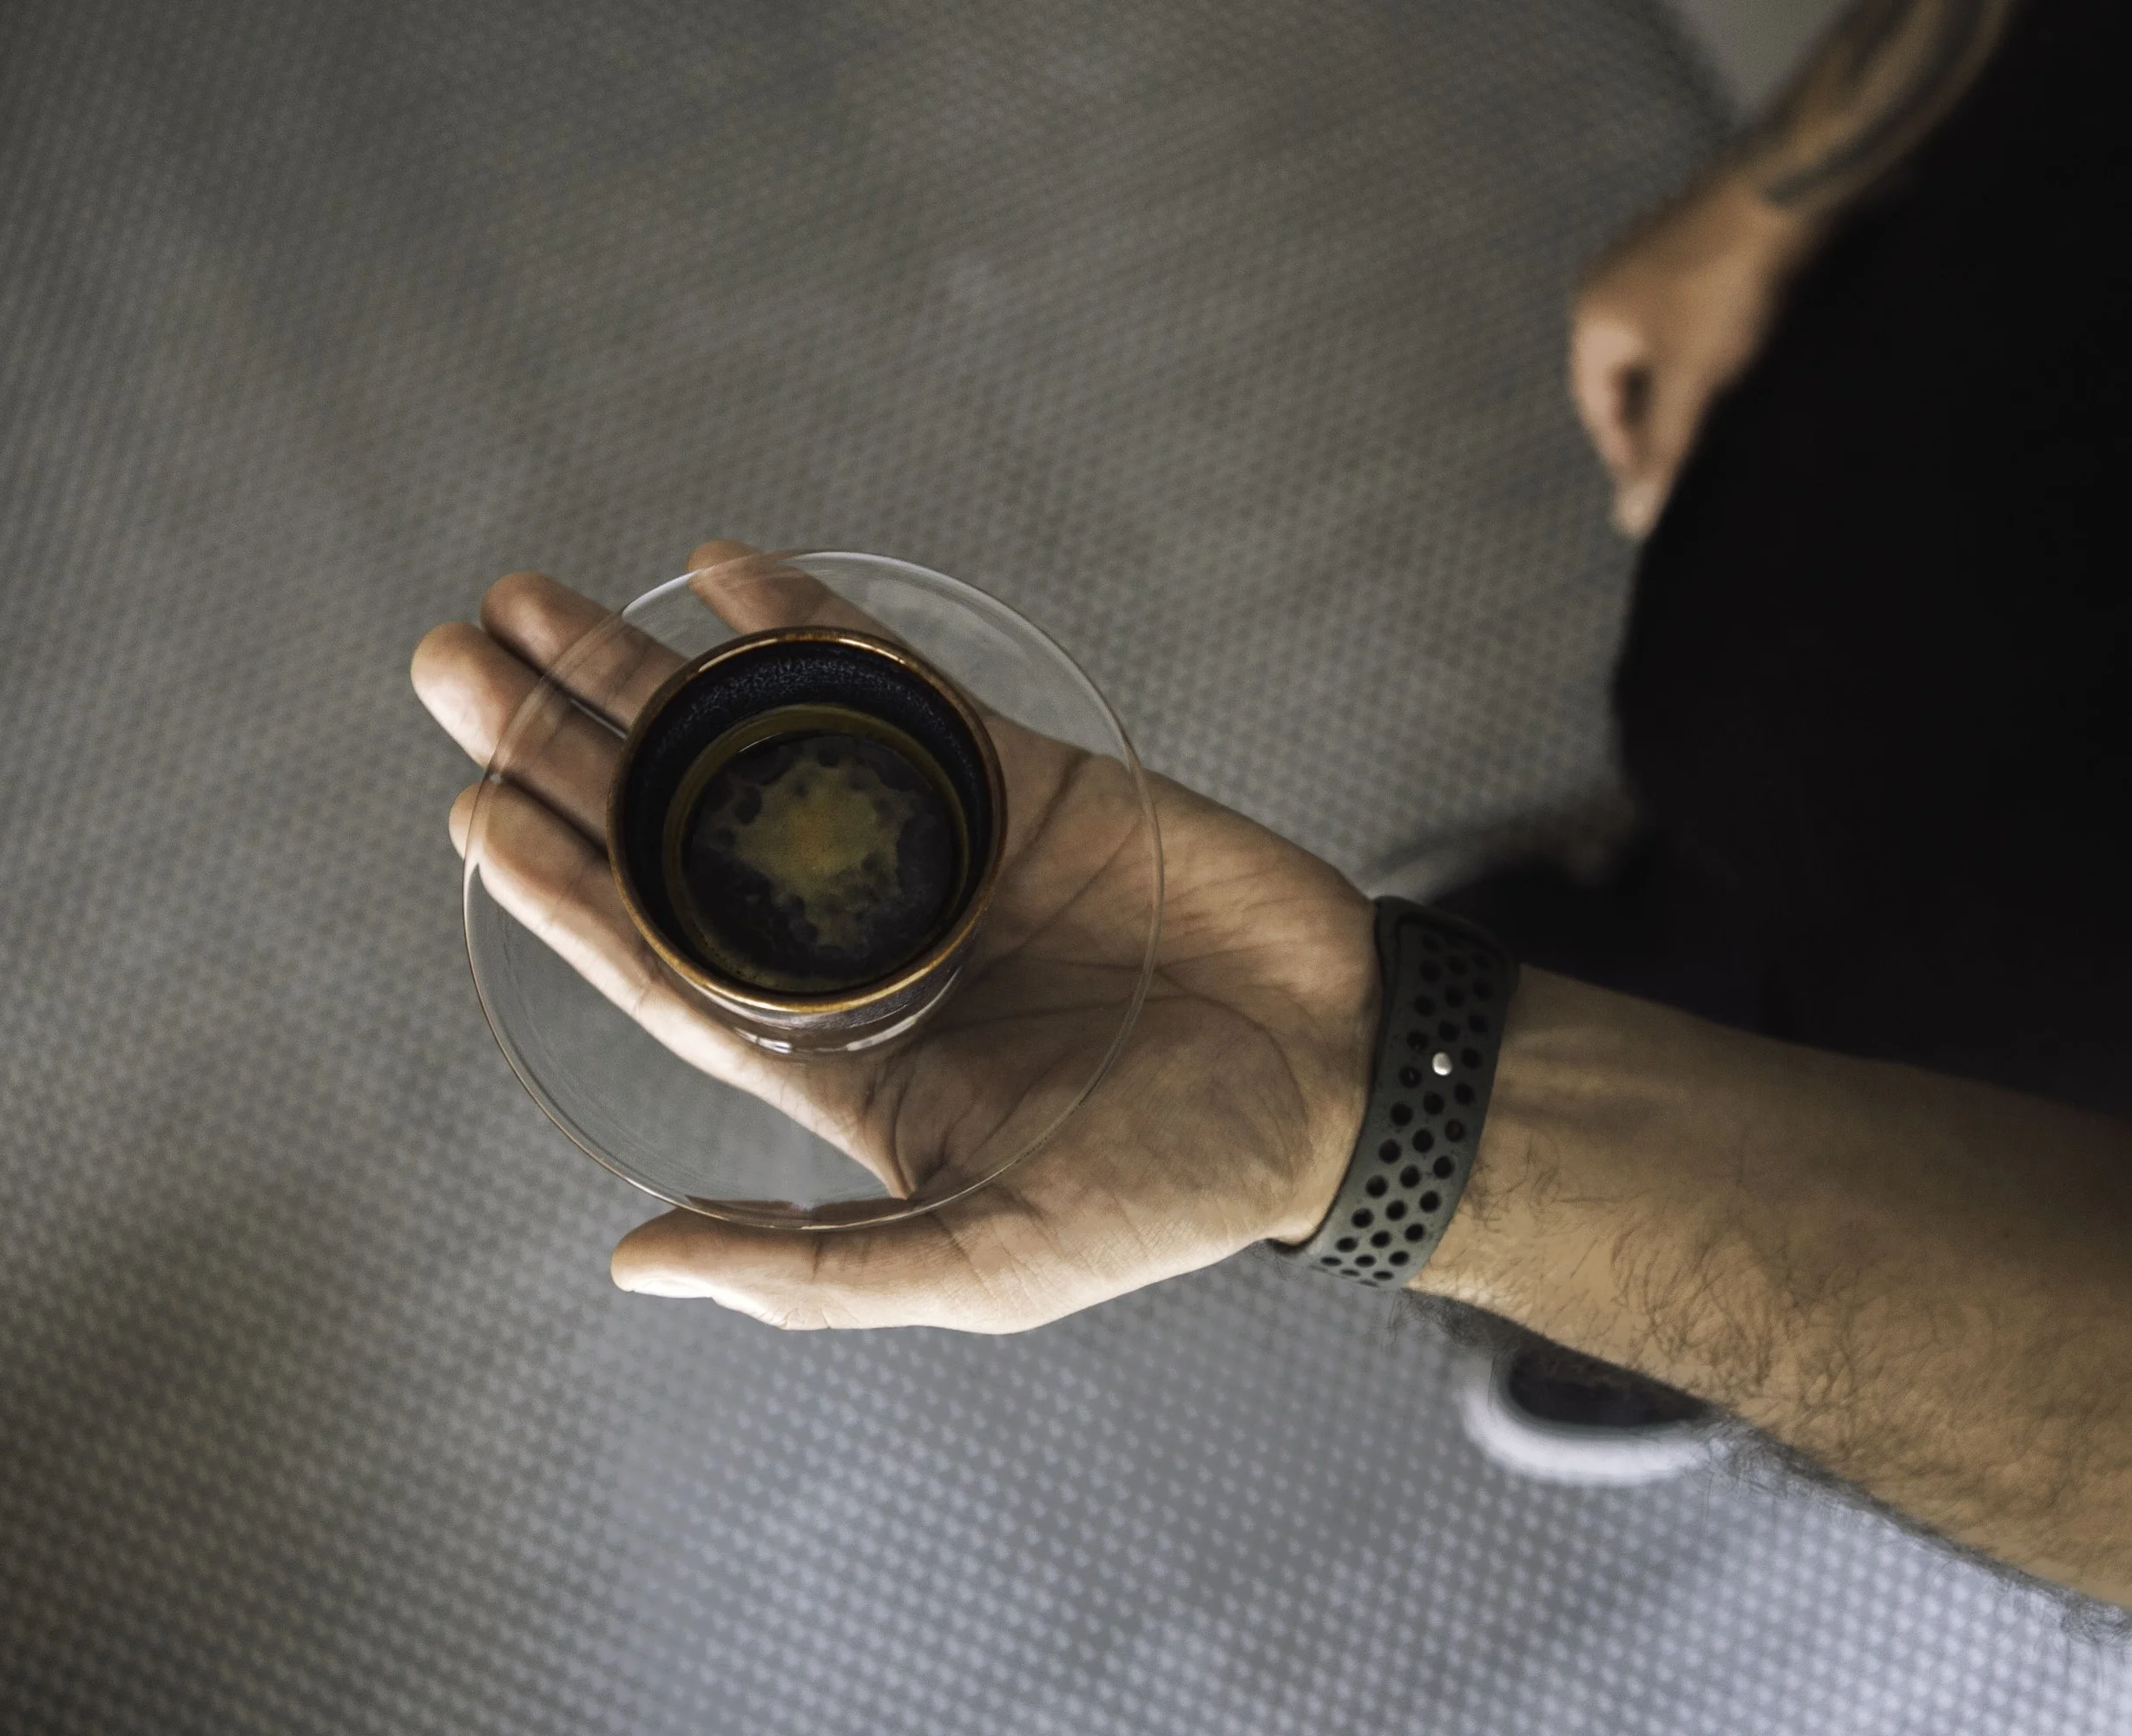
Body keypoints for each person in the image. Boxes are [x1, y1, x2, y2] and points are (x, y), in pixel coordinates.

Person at [411, 0, 2132, 1609]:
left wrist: (1472, 1158)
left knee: (1963, 1032)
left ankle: (1718, 1307)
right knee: (1735, 724)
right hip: (2014, 305)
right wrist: (1803, 168)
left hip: (2051, 1083)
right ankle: (1663, 947)